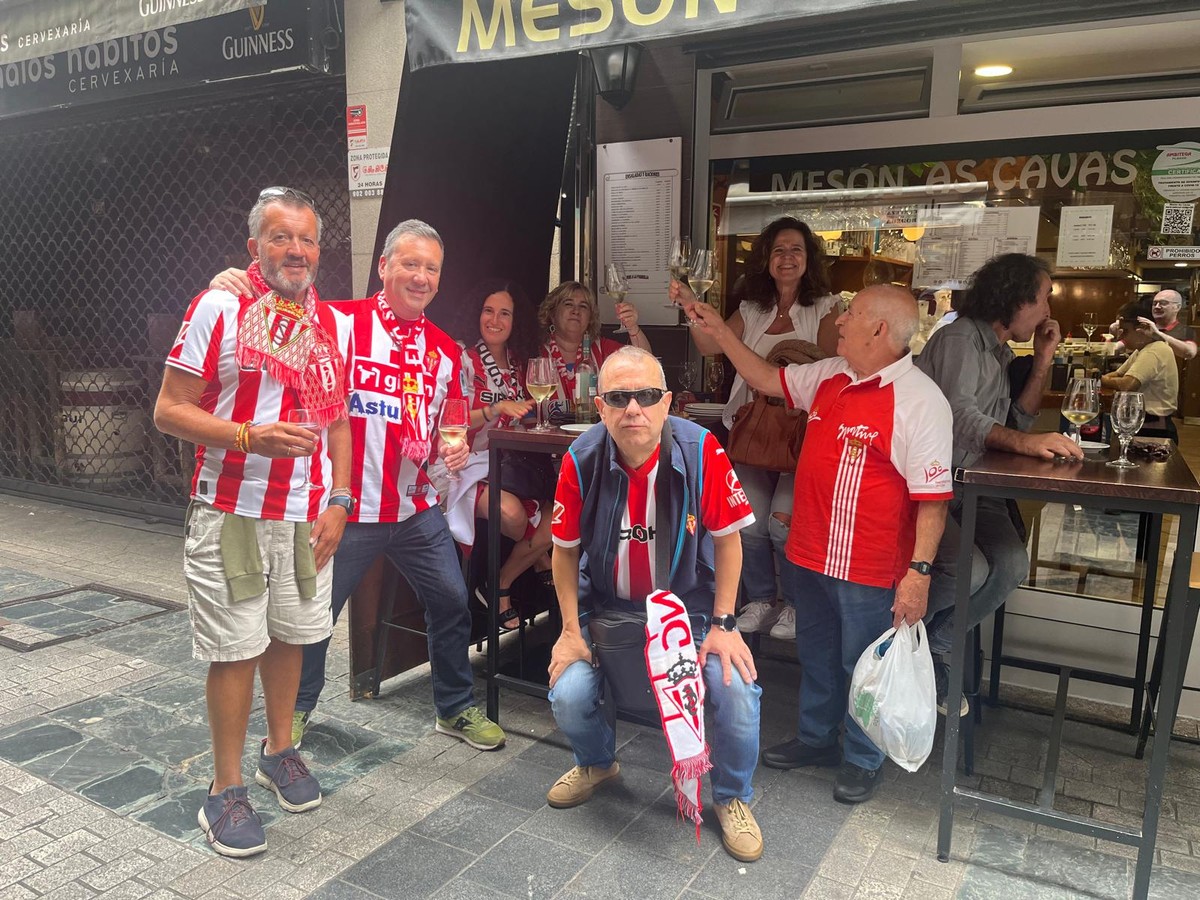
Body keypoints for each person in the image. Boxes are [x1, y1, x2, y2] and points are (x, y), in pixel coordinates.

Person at [208, 220, 506, 755]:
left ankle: (455, 707)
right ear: (383, 267)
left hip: (415, 507)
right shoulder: (338, 320)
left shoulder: (444, 351)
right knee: (312, 617)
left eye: (431, 268)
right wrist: (236, 283)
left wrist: (452, 449)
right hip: (343, 508)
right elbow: (274, 308)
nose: (420, 276)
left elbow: (446, 428)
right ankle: (294, 714)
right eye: (409, 264)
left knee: (452, 601)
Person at [692, 284, 954, 804]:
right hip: (809, 553)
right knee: (816, 654)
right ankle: (815, 739)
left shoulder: (921, 401)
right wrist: (721, 332)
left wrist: (918, 573)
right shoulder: (830, 375)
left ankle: (861, 758)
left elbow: (933, 501)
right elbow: (765, 377)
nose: (839, 322)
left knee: (863, 666)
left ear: (879, 330)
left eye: (851, 314)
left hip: (871, 566)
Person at [155, 186, 351, 858]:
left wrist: (341, 500)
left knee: (291, 637)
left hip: (306, 516)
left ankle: (281, 750)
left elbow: (339, 419)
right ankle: (225, 789)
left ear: (318, 251)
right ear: (253, 247)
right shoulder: (219, 305)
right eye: (279, 237)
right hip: (234, 511)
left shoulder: (326, 321)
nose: (294, 250)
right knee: (235, 647)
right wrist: (246, 436)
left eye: (304, 240)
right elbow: (168, 409)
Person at [545, 346, 764, 861]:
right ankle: (599, 764)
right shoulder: (582, 456)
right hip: (610, 612)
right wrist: (570, 630)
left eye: (646, 396)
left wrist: (726, 623)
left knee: (733, 688)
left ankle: (731, 797)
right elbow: (563, 550)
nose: (633, 410)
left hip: (690, 614)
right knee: (567, 693)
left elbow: (731, 541)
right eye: (619, 398)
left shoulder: (700, 449)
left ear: (667, 402)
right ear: (599, 406)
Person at [916, 253, 1082, 713]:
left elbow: (1018, 417)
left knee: (1009, 565)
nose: (1048, 311)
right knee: (972, 569)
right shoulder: (958, 341)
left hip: (976, 489)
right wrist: (1028, 444)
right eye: (1044, 299)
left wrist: (1043, 359)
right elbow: (959, 417)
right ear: (1015, 298)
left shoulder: (1000, 351)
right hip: (935, 488)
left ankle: (934, 647)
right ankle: (898, 636)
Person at [672, 217, 840, 643]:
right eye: (779, 250)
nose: (787, 258)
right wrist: (694, 311)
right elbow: (710, 344)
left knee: (784, 525)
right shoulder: (753, 308)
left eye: (796, 249)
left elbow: (832, 367)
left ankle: (796, 604)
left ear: (809, 259)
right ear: (767, 259)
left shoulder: (826, 307)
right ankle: (763, 599)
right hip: (751, 430)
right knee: (749, 524)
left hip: (800, 435)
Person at [441, 278, 549, 629]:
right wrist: (494, 409)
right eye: (488, 310)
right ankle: (541, 559)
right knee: (514, 515)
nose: (495, 320)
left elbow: (530, 413)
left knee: (560, 518)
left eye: (505, 313)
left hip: (510, 465)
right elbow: (449, 416)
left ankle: (500, 581)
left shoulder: (521, 365)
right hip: (462, 465)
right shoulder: (464, 359)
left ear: (516, 321)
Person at [538, 281, 651, 420]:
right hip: (550, 438)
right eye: (568, 304)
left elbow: (644, 362)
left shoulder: (602, 348)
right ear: (552, 313)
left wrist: (632, 326)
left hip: (596, 436)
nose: (576, 311)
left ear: (590, 318)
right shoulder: (536, 352)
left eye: (583, 306)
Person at [1102, 299, 1180, 440]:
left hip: (1153, 430)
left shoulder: (1154, 350)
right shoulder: (1142, 350)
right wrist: (1110, 379)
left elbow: (1127, 385)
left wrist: (1101, 379)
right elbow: (1118, 374)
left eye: (1125, 331)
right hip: (1145, 423)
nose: (1120, 336)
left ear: (1143, 328)